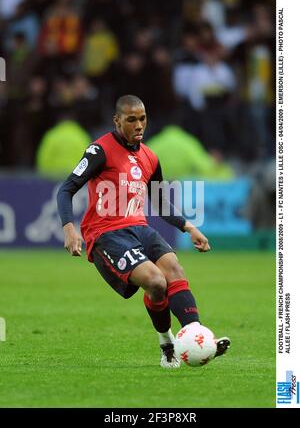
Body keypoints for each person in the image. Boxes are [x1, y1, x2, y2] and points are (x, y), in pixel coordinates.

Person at [57, 95, 230, 368]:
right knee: (155, 282)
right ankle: (167, 343)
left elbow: (160, 202)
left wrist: (188, 227)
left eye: (143, 118)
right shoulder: (99, 150)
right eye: (131, 119)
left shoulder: (150, 156)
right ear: (117, 120)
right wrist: (69, 228)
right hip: (107, 234)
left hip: (140, 228)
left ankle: (196, 336)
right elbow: (66, 188)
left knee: (174, 269)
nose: (139, 125)